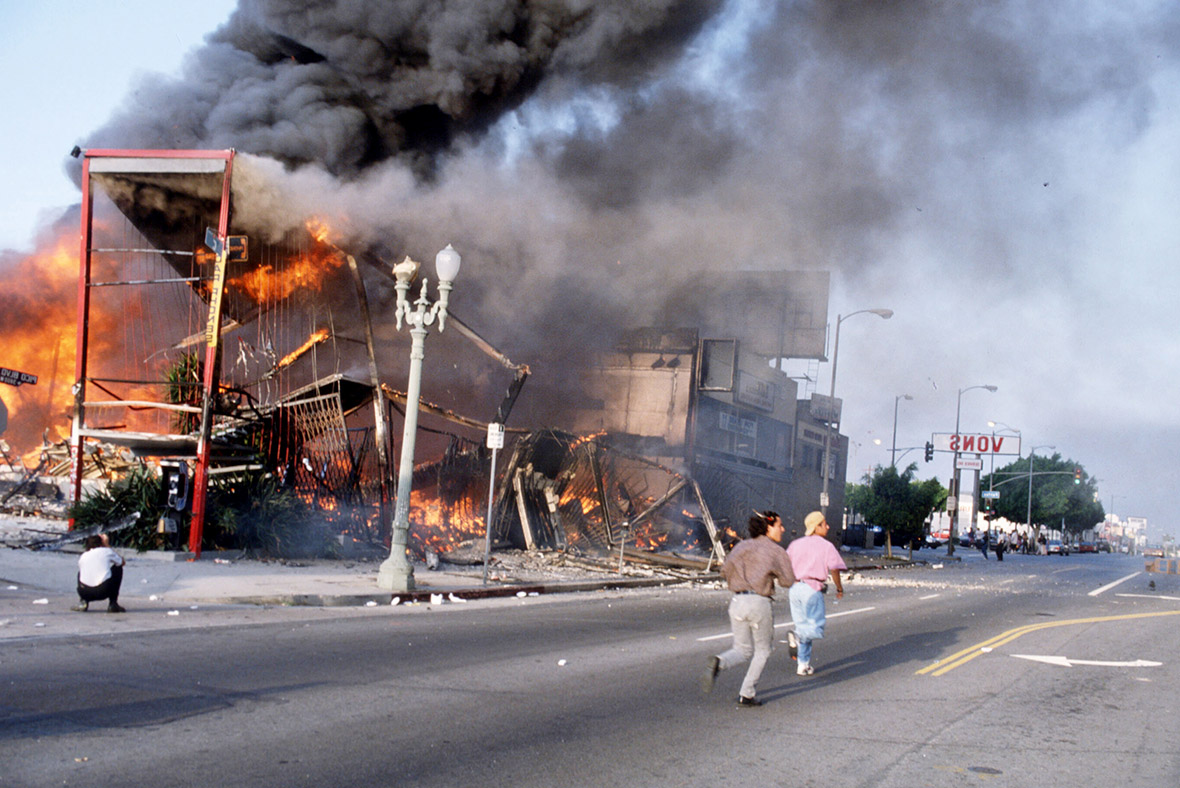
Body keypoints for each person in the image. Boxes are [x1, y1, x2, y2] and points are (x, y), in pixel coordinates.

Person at [701, 510, 796, 708]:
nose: (783, 529)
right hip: (759, 603)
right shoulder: (776, 551)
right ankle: (747, 693)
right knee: (763, 650)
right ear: (768, 527)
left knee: (742, 649)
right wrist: (772, 575)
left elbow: (724, 571)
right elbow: (788, 581)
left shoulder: (741, 546)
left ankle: (719, 662)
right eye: (779, 525)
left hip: (737, 601)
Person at [785, 511, 846, 676]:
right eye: (824, 524)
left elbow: (785, 565)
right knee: (816, 628)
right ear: (816, 526)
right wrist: (839, 588)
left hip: (795, 588)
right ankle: (797, 636)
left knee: (802, 626)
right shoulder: (826, 546)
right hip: (811, 589)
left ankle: (802, 665)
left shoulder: (795, 544)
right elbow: (834, 569)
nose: (828, 527)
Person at [73, 533, 126, 613]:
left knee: (81, 572)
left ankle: (83, 602)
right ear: (102, 542)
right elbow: (122, 562)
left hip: (84, 592)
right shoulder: (106, 551)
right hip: (102, 591)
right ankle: (113, 604)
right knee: (118, 568)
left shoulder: (83, 556)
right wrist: (107, 545)